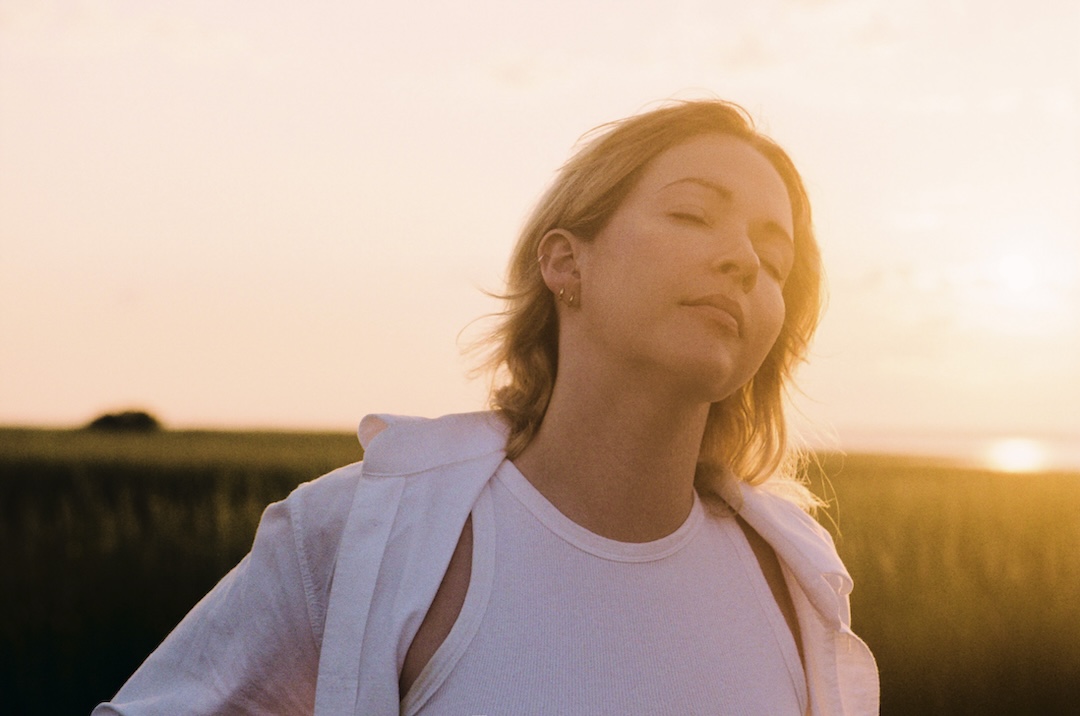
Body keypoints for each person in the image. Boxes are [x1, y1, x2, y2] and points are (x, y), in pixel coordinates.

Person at [93, 99, 878, 715]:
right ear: (565, 263)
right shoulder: (361, 536)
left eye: (774, 257)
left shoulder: (797, 586)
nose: (743, 259)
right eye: (692, 215)